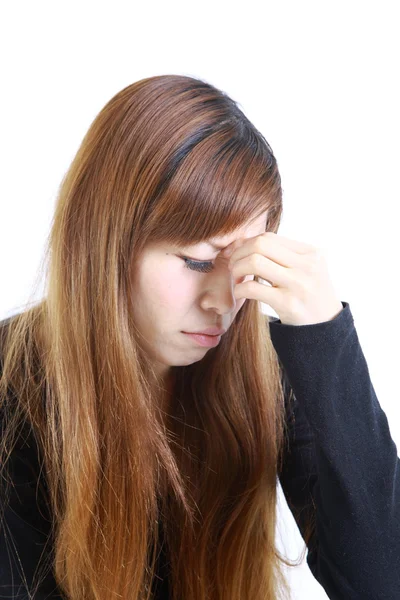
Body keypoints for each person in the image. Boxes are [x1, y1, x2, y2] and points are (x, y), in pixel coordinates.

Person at [0, 74, 399, 600]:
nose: (224, 301)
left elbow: (381, 582)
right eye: (197, 261)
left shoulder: (263, 372)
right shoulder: (13, 385)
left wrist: (326, 340)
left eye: (243, 264)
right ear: (108, 241)